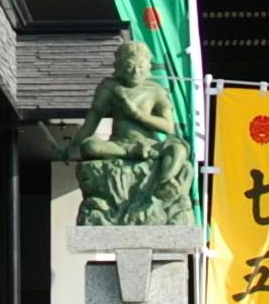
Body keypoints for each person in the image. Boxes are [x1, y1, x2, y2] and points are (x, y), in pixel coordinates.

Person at [65, 36, 193, 229]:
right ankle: (133, 154)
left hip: (150, 144)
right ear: (119, 66)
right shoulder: (109, 87)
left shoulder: (155, 90)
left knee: (179, 150)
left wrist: (137, 114)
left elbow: (168, 127)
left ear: (148, 66)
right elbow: (91, 122)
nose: (135, 72)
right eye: (129, 66)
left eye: (141, 67)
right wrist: (73, 146)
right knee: (90, 146)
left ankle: (165, 182)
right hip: (121, 144)